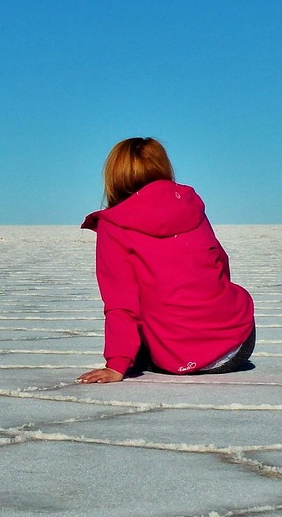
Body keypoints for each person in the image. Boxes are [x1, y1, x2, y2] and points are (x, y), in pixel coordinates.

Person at [77, 137, 255, 384]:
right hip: (238, 343)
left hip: (180, 356)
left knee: (148, 322)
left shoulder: (114, 224)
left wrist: (117, 364)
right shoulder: (188, 204)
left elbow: (120, 301)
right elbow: (219, 262)